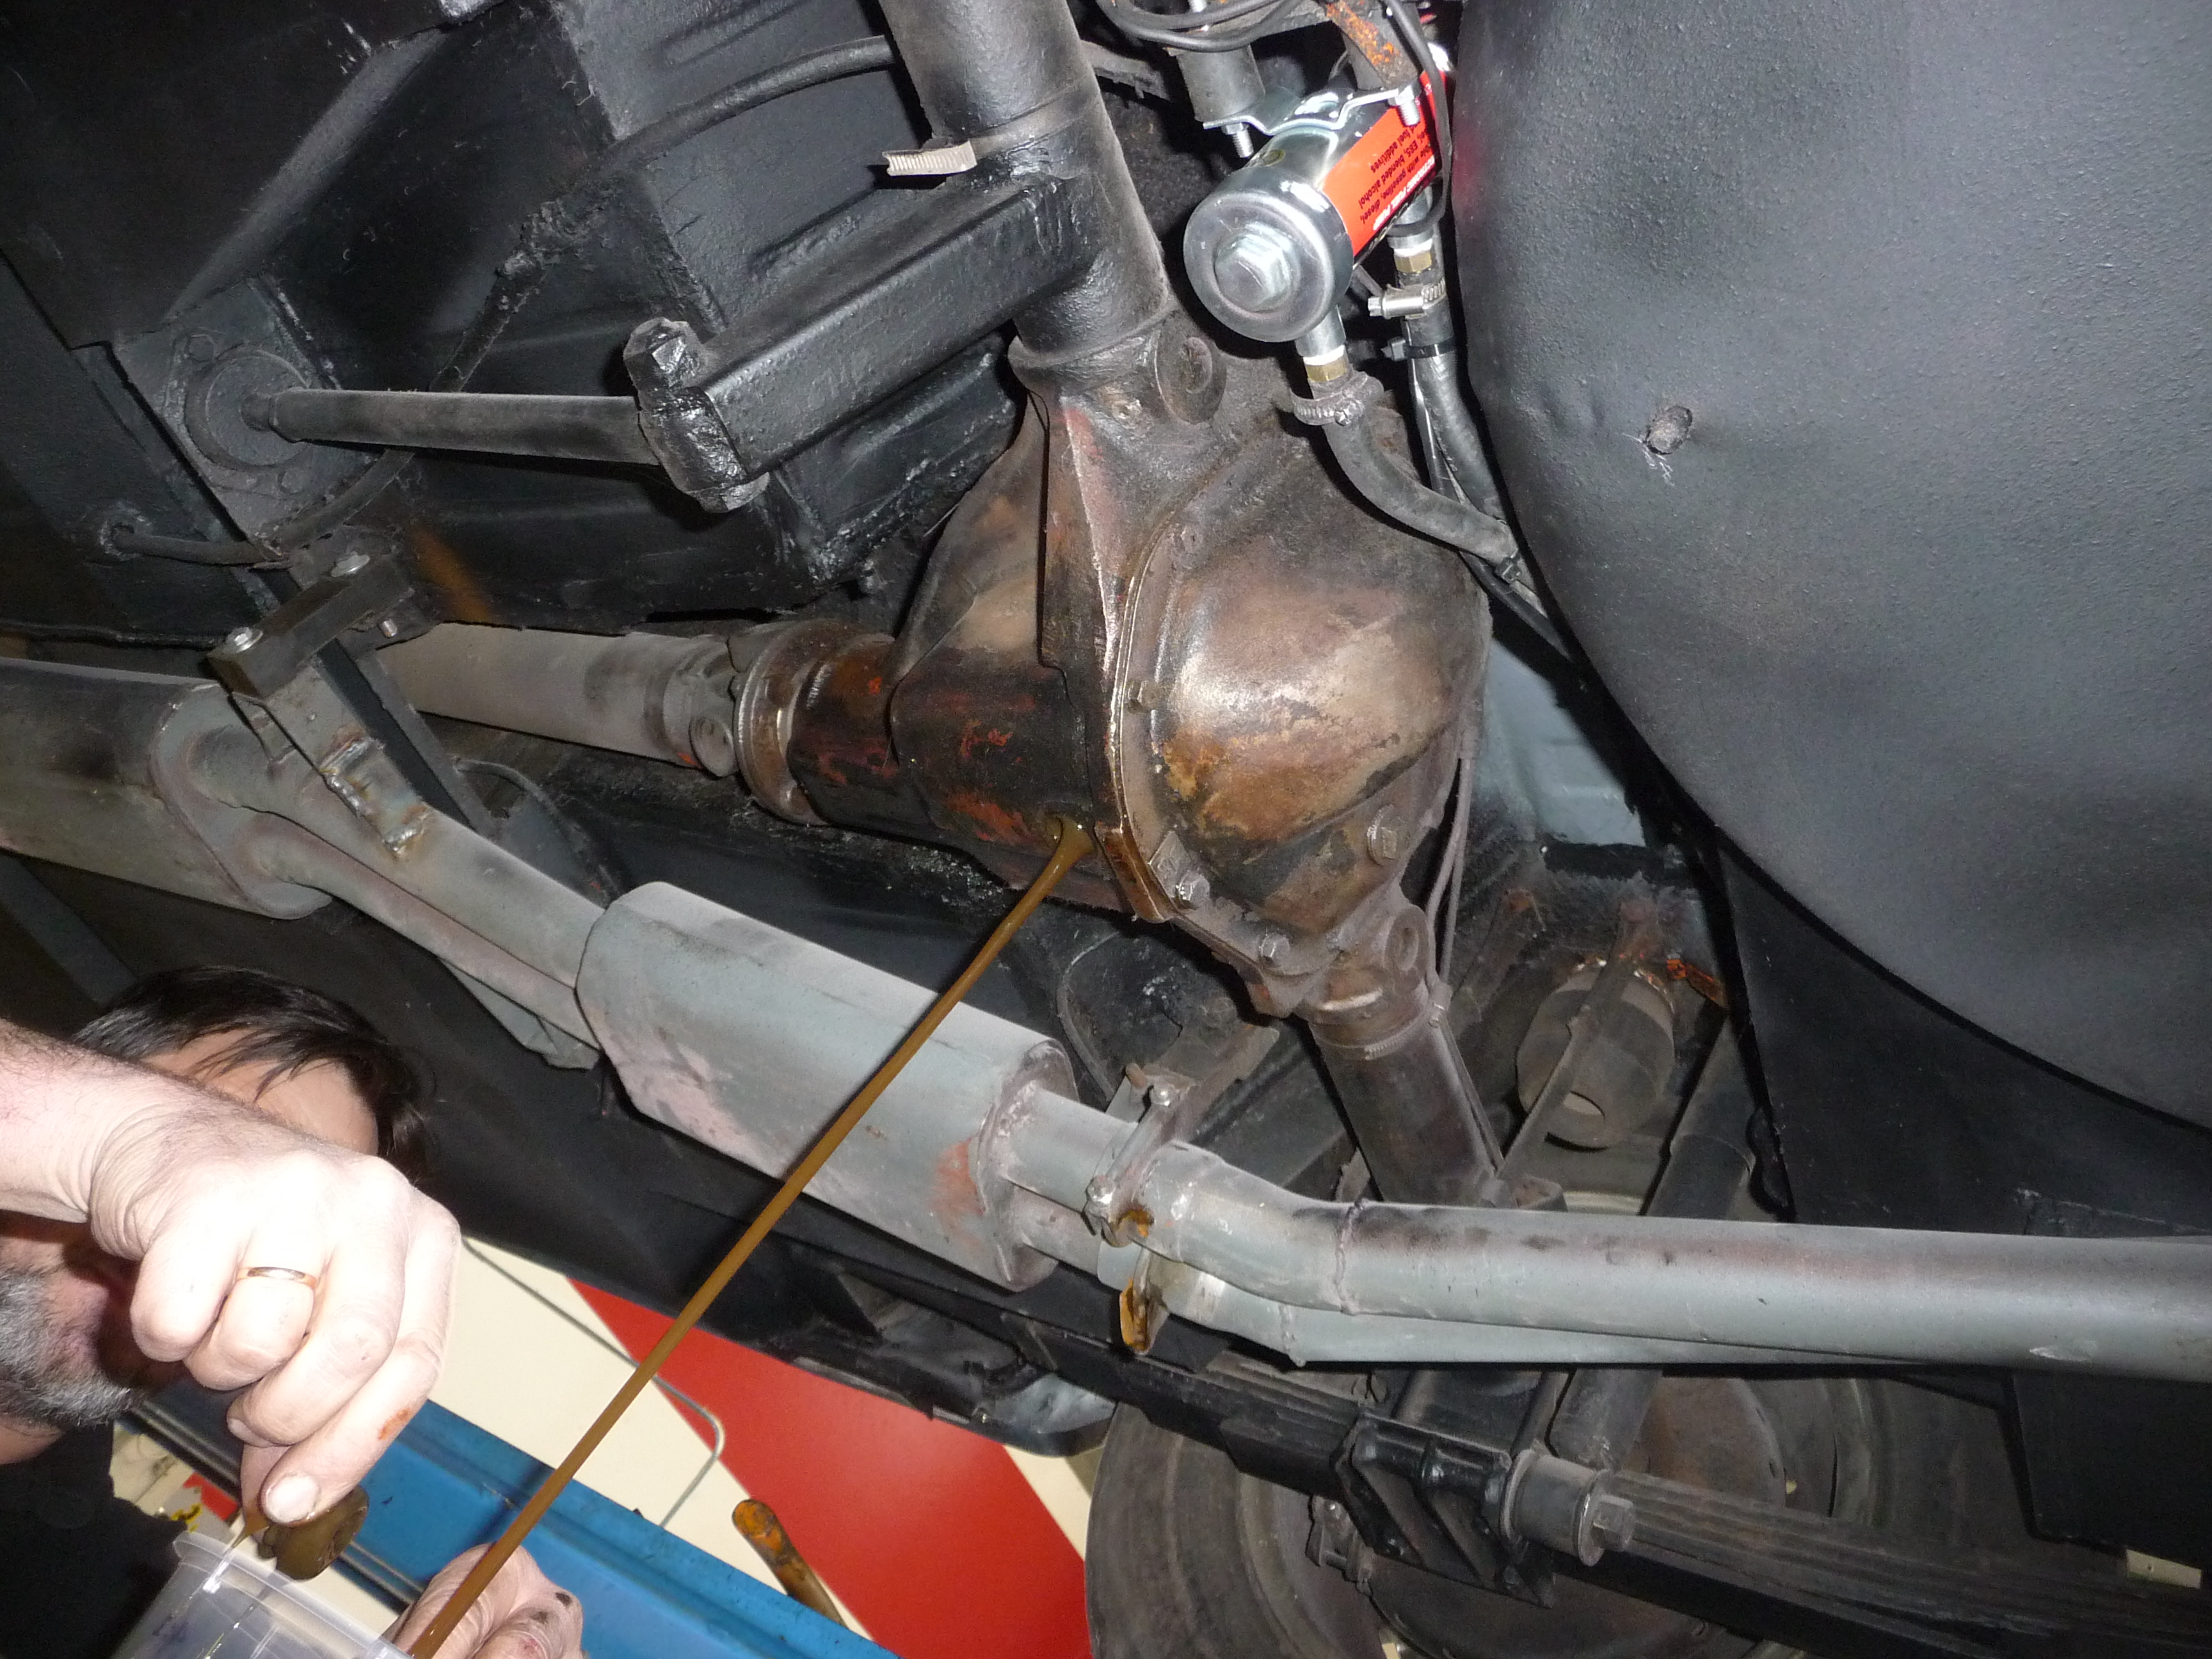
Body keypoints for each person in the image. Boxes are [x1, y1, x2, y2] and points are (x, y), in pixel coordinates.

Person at [0, 967, 582, 1659]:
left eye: (281, 1239)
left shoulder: (115, 1598)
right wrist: (128, 1135)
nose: (187, 1239)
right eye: (206, 1136)